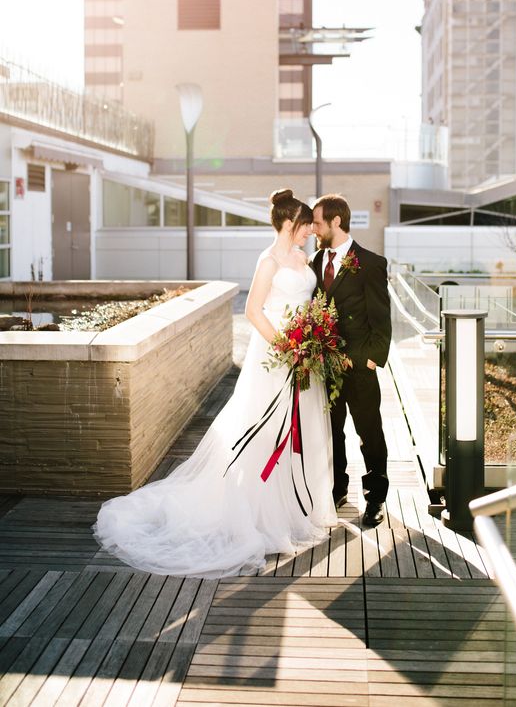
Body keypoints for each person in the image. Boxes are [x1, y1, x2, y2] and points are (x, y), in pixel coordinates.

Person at [94, 189, 336, 578]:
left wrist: (310, 337)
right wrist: (287, 346)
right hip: (275, 355)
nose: (310, 231)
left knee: (299, 428)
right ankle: (256, 511)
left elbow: (308, 303)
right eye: (306, 225)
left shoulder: (303, 257)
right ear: (291, 224)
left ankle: (294, 507)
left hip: (302, 354)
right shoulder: (268, 261)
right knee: (262, 427)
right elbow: (254, 311)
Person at [311, 194, 392, 527]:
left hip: (359, 369)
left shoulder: (371, 263)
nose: (313, 228)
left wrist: (365, 361)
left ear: (335, 222)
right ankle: (337, 488)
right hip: (324, 367)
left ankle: (375, 499)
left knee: (368, 433)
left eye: (317, 222)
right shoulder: (315, 261)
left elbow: (381, 323)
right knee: (331, 432)